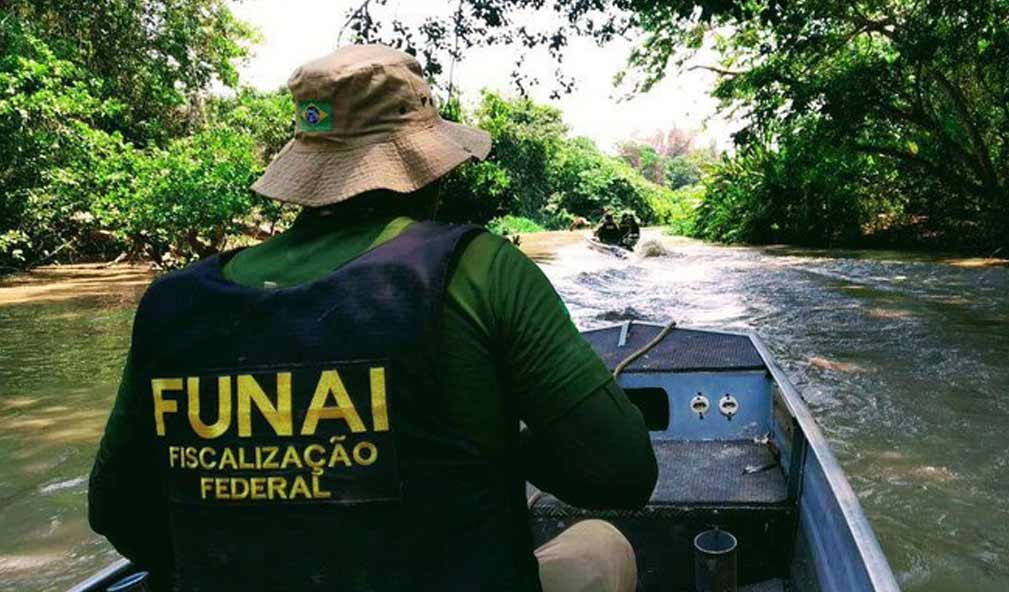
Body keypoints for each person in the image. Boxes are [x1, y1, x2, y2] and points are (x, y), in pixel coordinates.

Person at [88, 45, 656, 592]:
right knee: (603, 543)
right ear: (429, 170)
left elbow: (120, 513)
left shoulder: (171, 303)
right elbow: (622, 470)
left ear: (307, 180)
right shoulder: (480, 268)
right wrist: (492, 444)